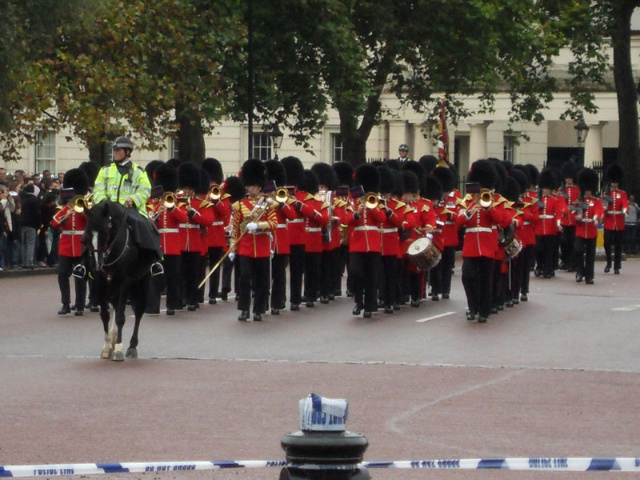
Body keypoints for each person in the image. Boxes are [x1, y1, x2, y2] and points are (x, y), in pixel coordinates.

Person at [89, 136, 163, 277]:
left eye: (118, 150)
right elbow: (98, 190)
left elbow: (145, 190)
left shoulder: (138, 171)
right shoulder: (105, 170)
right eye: (114, 150)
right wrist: (104, 203)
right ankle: (84, 263)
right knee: (91, 229)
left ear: (127, 152)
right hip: (108, 209)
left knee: (145, 226)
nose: (115, 152)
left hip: (131, 209)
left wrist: (133, 199)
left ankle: (154, 261)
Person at [230, 159, 277, 322]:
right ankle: (244, 309)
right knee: (244, 276)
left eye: (255, 186)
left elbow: (273, 223)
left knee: (262, 281)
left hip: (262, 246)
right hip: (246, 247)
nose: (252, 188)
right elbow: (235, 228)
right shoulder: (239, 205)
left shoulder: (267, 204)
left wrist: (258, 225)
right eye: (250, 185)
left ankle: (258, 309)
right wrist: (232, 248)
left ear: (259, 186)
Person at [51, 169, 89, 316]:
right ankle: (65, 304)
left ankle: (79, 305)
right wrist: (66, 214)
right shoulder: (63, 209)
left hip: (81, 245)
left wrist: (82, 211)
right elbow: (54, 223)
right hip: (66, 246)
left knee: (80, 275)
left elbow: (90, 222)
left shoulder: (84, 207)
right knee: (62, 274)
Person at [575, 168, 603, 284]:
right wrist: (577, 217)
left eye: (589, 190)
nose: (588, 192)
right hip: (581, 230)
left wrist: (596, 219)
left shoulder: (596, 201)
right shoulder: (579, 201)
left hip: (591, 229)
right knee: (579, 251)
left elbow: (598, 210)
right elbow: (573, 212)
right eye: (586, 190)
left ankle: (589, 276)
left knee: (591, 255)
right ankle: (580, 271)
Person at [602, 163, 628, 274]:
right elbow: (602, 206)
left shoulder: (622, 193)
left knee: (618, 244)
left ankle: (617, 266)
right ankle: (608, 263)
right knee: (607, 243)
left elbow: (625, 205)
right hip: (608, 220)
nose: (614, 184)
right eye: (613, 182)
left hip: (618, 221)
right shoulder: (606, 193)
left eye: (616, 182)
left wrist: (625, 212)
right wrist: (604, 209)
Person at [19, 184, 42, 269]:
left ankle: (24, 262)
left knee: (24, 244)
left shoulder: (23, 199)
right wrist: (39, 224)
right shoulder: (35, 200)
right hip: (31, 224)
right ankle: (29, 262)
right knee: (31, 243)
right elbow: (37, 213)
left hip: (23, 223)